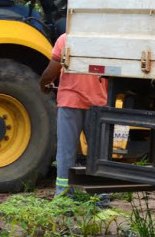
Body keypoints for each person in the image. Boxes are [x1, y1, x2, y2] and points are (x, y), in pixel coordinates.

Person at [39, 32, 108, 198]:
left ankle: (63, 198)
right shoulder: (105, 41)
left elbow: (51, 73)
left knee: (65, 153)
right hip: (97, 103)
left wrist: (43, 83)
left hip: (70, 102)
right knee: (98, 155)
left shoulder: (65, 39)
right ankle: (101, 199)